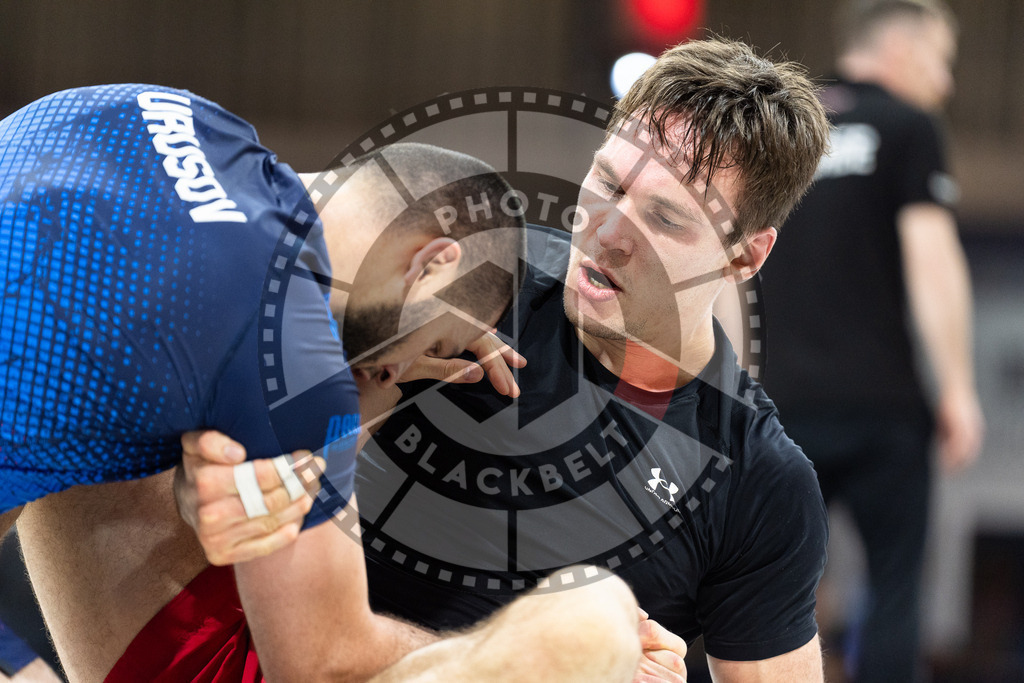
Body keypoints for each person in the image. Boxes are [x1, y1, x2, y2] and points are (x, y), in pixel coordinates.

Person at [182, 36, 834, 681]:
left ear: (745, 255)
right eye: (606, 181)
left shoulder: (759, 483)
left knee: (593, 627)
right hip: (282, 652)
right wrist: (217, 481)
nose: (605, 232)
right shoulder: (475, 270)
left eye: (664, 219)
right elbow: (228, 455)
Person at [0, 84, 653, 682]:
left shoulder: (182, 114)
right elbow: (323, 662)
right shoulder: (286, 351)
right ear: (432, 261)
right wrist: (500, 641)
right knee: (594, 617)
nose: (397, 372)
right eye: (438, 348)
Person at [758, 1, 985, 680]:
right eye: (942, 60)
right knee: (893, 589)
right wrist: (959, 387)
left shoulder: (780, 128)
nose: (944, 82)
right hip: (882, 404)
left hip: (783, 406)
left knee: (768, 588)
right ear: (905, 50)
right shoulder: (909, 125)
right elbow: (933, 260)